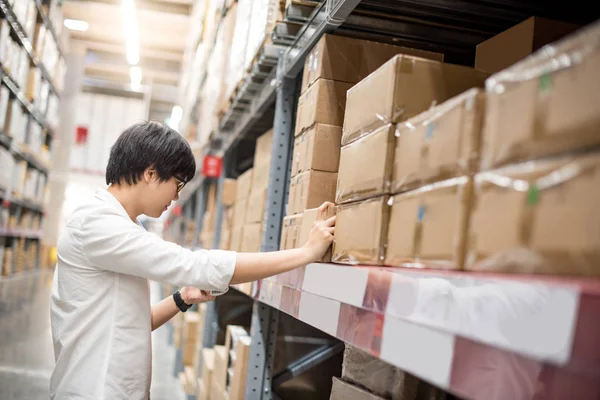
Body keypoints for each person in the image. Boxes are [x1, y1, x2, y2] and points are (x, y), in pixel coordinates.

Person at [50, 121, 335, 399]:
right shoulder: (98, 225)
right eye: (178, 183)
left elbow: (133, 321)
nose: (176, 196)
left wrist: (181, 298)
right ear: (150, 173)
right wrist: (305, 253)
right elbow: (196, 265)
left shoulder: (118, 226)